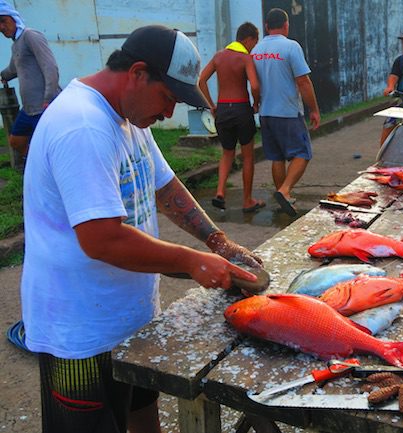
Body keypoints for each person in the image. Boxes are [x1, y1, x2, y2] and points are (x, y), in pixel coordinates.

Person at [21, 25, 262, 433]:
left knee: (139, 415)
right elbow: (102, 239)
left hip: (129, 321)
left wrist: (217, 243)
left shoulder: (132, 119)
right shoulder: (83, 125)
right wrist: (191, 262)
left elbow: (166, 188)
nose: (169, 113)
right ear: (136, 73)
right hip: (79, 333)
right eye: (168, 98)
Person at [251, 8, 320, 216]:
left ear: (266, 26)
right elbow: (303, 81)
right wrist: (314, 109)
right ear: (286, 25)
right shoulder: (291, 47)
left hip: (266, 112)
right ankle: (285, 190)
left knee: (277, 157)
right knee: (303, 153)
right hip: (288, 112)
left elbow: (254, 84)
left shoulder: (255, 51)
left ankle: (285, 197)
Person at [198, 22, 264, 213]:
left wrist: (211, 105)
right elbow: (255, 85)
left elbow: (201, 80)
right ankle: (247, 201)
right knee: (248, 156)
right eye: (254, 42)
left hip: (223, 111)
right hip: (241, 109)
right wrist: (256, 103)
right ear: (247, 39)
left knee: (227, 153)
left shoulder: (219, 56)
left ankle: (220, 193)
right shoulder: (245, 58)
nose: (253, 46)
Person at [0, 1, 60, 163]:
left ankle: (43, 167)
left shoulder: (31, 36)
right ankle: (37, 162)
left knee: (48, 145)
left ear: (14, 18)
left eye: (3, 20)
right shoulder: (16, 45)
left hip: (44, 106)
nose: (1, 27)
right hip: (29, 108)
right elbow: (13, 69)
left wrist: (48, 98)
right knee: (16, 140)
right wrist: (3, 75)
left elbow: (50, 67)